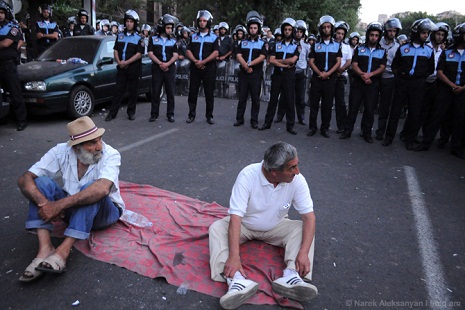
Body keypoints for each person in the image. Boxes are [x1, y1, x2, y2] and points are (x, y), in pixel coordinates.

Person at [209, 141, 318, 309]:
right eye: (292, 168)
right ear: (274, 172)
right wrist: (234, 257)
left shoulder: (297, 180)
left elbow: (309, 218)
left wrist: (303, 253)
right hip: (245, 225)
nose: (297, 171)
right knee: (217, 229)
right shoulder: (247, 176)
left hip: (277, 225)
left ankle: (292, 275)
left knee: (302, 229)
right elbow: (236, 218)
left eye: (296, 165)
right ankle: (236, 280)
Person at [17, 116, 124, 282]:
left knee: (91, 189)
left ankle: (62, 252)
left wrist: (58, 206)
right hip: (71, 209)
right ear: (76, 148)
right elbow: (25, 179)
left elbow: (102, 189)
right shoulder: (61, 151)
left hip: (106, 212)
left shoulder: (111, 154)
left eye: (99, 140)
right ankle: (45, 248)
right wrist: (46, 205)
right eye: (91, 143)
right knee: (40, 183)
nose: (99, 147)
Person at [413, 22, 465, 158]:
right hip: (445, 90)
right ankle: (425, 143)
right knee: (436, 117)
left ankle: (456, 147)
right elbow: (440, 71)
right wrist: (451, 85)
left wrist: (462, 87)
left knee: (459, 119)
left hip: (462, 92)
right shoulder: (447, 53)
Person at [382, 19, 436, 149]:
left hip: (418, 85)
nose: (426, 35)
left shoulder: (429, 50)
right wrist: (401, 77)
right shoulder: (403, 48)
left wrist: (419, 78)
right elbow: (395, 66)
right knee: (395, 111)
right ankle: (388, 137)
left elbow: (430, 69)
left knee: (414, 113)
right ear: (416, 32)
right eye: (423, 32)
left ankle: (409, 139)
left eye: (427, 33)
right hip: (402, 83)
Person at [339, 22, 386, 143]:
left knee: (369, 110)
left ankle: (367, 133)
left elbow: (382, 67)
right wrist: (362, 75)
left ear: (379, 37)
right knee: (353, 108)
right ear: (368, 35)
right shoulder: (360, 49)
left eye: (376, 35)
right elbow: (354, 64)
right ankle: (347, 131)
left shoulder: (382, 51)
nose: (373, 37)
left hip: (373, 84)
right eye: (371, 35)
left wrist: (370, 75)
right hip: (358, 83)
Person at [259, 18, 299, 135]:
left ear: (292, 31)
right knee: (273, 100)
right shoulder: (276, 45)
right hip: (277, 76)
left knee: (289, 101)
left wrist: (279, 61)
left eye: (289, 30)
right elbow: (271, 60)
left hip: (289, 76)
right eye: (285, 29)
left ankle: (290, 126)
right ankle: (267, 123)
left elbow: (292, 60)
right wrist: (283, 63)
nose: (287, 31)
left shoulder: (296, 46)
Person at [105, 10, 144, 121]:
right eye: (127, 21)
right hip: (121, 68)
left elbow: (139, 54)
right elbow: (116, 50)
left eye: (131, 21)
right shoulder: (120, 36)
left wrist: (126, 62)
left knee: (133, 91)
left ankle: (131, 112)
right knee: (118, 91)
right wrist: (119, 62)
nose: (128, 23)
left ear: (135, 23)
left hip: (133, 68)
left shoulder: (138, 38)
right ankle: (112, 114)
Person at [307, 15, 342, 138]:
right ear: (321, 29)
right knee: (314, 104)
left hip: (330, 79)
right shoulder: (316, 45)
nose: (326, 29)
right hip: (317, 79)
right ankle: (312, 127)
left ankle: (325, 128)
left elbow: (338, 62)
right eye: (324, 27)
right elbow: (311, 61)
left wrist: (328, 73)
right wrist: (319, 73)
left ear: (331, 29)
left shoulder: (337, 45)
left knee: (327, 105)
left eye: (328, 27)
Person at [234, 11, 267, 129]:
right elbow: (238, 54)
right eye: (251, 28)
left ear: (258, 29)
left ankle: (254, 120)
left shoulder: (262, 43)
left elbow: (263, 56)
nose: (253, 30)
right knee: (242, 97)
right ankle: (239, 118)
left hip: (256, 74)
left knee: (255, 98)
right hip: (244, 73)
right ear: (248, 29)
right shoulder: (243, 42)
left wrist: (250, 64)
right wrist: (245, 65)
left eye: (255, 28)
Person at [185, 10, 219, 124]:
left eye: (204, 21)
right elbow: (188, 50)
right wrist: (196, 61)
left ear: (208, 22)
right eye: (200, 21)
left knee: (209, 93)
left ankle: (209, 116)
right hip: (195, 68)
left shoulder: (214, 37)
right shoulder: (193, 36)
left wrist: (203, 62)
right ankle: (191, 114)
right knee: (193, 92)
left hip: (209, 68)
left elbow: (216, 53)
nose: (202, 23)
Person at [275, 20, 310, 126]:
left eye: (301, 32)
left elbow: (308, 60)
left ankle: (301, 117)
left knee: (300, 97)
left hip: (300, 73)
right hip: (289, 72)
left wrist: (306, 73)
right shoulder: (290, 44)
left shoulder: (306, 46)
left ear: (304, 33)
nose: (298, 33)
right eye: (297, 31)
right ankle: (280, 115)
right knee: (285, 96)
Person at [0, 1, 27, 131]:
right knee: (2, 94)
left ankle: (21, 120)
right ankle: (3, 117)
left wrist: (7, 46)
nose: (0, 15)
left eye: (1, 12)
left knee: (15, 93)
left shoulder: (12, 26)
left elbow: (6, 43)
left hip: (8, 65)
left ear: (6, 13)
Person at [147, 14, 179, 123]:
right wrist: (161, 63)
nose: (170, 30)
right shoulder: (153, 39)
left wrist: (167, 64)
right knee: (155, 92)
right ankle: (154, 114)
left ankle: (170, 114)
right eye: (168, 27)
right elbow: (150, 53)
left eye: (171, 28)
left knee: (170, 92)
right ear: (163, 27)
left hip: (170, 69)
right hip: (157, 68)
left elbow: (175, 55)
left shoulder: (174, 41)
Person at [375, 18, 402, 141]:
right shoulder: (378, 43)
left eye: (394, 31)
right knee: (371, 104)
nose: (392, 33)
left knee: (385, 106)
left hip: (390, 77)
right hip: (376, 76)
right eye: (390, 30)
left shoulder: (398, 46)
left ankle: (381, 131)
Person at [333, 21, 352, 133]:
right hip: (331, 75)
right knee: (327, 101)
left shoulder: (347, 47)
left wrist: (342, 69)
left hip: (341, 76)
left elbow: (349, 61)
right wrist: (335, 70)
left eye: (342, 33)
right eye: (338, 33)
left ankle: (342, 126)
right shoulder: (331, 45)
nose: (340, 35)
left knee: (340, 102)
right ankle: (325, 126)